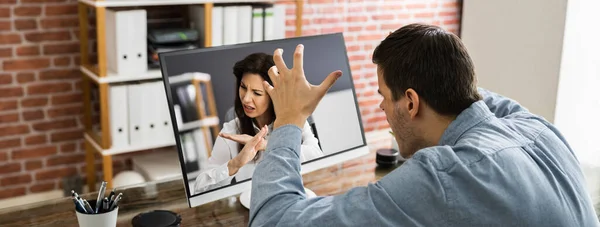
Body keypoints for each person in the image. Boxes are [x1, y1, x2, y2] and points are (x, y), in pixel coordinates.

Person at [240, 24, 599, 226]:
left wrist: (288, 119)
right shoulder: (537, 129)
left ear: (411, 102)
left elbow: (273, 220)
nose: (380, 106)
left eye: (383, 96)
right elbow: (474, 95)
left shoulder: (444, 177)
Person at [193, 53, 323, 194]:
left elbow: (317, 158)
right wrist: (235, 163)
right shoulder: (231, 131)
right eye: (243, 87)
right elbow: (199, 189)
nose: (246, 99)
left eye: (257, 93)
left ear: (275, 95)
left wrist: (269, 146)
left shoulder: (294, 119)